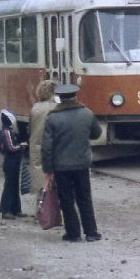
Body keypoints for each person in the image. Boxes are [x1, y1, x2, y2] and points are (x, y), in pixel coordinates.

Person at [42, 84, 103, 242]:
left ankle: (73, 233)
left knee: (66, 200)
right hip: (82, 164)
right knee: (85, 198)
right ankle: (91, 232)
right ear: (75, 96)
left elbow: (47, 146)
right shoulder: (87, 113)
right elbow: (96, 134)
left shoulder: (52, 117)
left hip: (61, 166)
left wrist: (48, 169)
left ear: (60, 98)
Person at [27, 79, 57, 211]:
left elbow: (30, 128)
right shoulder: (56, 107)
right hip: (53, 146)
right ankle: (56, 211)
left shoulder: (35, 108)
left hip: (36, 147)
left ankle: (40, 210)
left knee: (41, 181)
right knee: (56, 180)